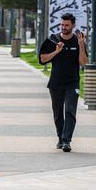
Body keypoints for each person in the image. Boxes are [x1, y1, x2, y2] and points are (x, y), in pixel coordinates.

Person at [39, 13, 88, 153]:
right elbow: (42, 59)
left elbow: (83, 63)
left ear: (73, 26)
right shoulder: (53, 40)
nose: (64, 27)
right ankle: (61, 138)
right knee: (58, 114)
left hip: (72, 82)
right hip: (55, 83)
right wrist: (56, 51)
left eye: (67, 25)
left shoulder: (79, 41)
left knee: (70, 110)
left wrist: (81, 45)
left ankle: (67, 141)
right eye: (62, 25)